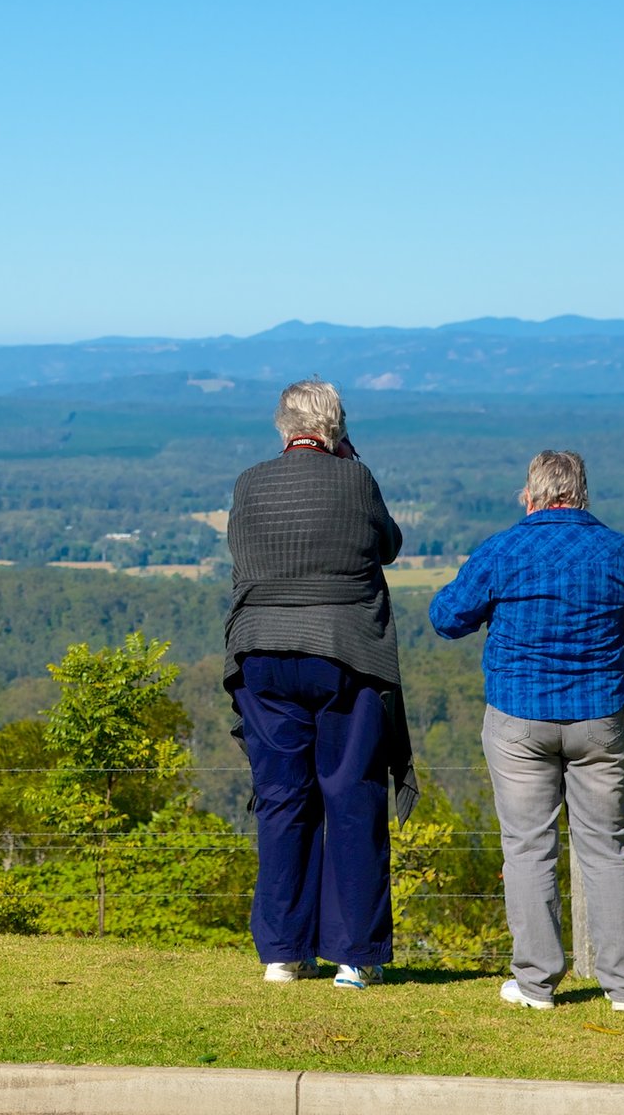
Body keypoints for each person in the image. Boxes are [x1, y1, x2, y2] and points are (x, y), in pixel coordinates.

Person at [429, 449, 624, 1013]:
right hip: (599, 716)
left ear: (529, 497)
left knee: (529, 849)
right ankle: (623, 987)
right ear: (581, 496)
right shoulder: (617, 550)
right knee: (607, 847)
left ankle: (536, 984)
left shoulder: (504, 549)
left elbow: (446, 617)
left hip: (519, 718)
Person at [223, 379, 415, 989]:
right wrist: (351, 464)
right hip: (343, 651)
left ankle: (283, 951)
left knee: (282, 798)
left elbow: (243, 553)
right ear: (336, 429)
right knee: (352, 794)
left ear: (283, 427)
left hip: (260, 655)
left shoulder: (249, 483)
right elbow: (389, 544)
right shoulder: (354, 478)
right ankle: (355, 955)